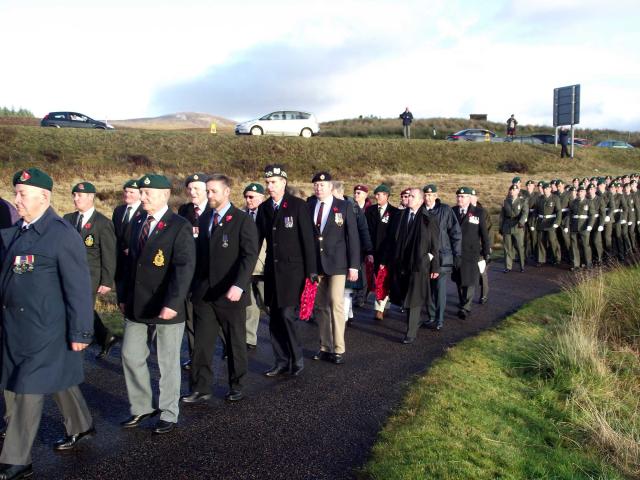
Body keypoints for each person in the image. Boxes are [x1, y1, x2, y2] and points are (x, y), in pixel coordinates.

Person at [0, 168, 95, 479]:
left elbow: (79, 287)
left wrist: (81, 331)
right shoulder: (19, 232)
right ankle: (81, 425)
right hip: (17, 327)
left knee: (27, 386)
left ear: (44, 196)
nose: (16, 200)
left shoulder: (60, 234)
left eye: (22, 194)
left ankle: (17, 459)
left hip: (47, 328)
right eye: (15, 193)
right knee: (60, 378)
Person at [117, 174, 195, 435]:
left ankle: (169, 412)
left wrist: (173, 302)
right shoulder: (138, 220)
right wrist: (123, 297)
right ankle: (142, 407)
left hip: (165, 305)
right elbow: (130, 264)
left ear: (164, 195)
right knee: (130, 354)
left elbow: (184, 268)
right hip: (138, 303)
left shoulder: (179, 225)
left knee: (167, 362)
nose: (142, 197)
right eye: (141, 192)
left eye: (147, 193)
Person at [182, 174, 258, 404]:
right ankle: (200, 387)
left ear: (226, 192)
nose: (209, 195)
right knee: (202, 344)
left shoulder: (242, 220)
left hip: (230, 293)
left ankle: (237, 385)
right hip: (205, 293)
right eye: (207, 191)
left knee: (235, 342)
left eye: (213, 191)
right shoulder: (205, 218)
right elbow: (199, 255)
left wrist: (239, 285)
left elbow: (249, 255)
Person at [256, 164, 317, 377]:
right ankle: (281, 361)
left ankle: (296, 358)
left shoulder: (298, 206)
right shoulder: (264, 209)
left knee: (287, 314)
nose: (270, 186)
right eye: (267, 183)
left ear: (283, 182)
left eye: (273, 182)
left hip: (294, 272)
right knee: (274, 317)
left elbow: (308, 240)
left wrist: (312, 271)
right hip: (273, 272)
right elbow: (256, 240)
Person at [307, 173, 360, 364]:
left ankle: (338, 348)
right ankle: (324, 346)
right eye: (316, 185)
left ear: (331, 187)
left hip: (338, 263)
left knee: (336, 302)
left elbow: (352, 237)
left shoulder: (344, 206)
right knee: (320, 307)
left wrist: (354, 266)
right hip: (316, 264)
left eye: (322, 185)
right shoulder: (310, 205)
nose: (318, 188)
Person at [63, 182, 117, 360]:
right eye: (74, 195)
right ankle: (105, 336)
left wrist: (107, 280)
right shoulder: (68, 218)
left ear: (90, 197)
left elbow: (108, 254)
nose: (75, 198)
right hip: (68, 274)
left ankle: (77, 350)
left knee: (82, 310)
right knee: (73, 308)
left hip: (90, 276)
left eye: (79, 195)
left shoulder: (102, 223)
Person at [386, 187, 440, 343]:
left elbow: (435, 245)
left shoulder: (429, 219)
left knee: (414, 297)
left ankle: (411, 332)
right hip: (401, 264)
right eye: (408, 196)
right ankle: (412, 324)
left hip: (419, 264)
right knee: (404, 295)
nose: (408, 198)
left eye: (412, 196)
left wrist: (434, 265)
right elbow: (392, 239)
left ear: (421, 200)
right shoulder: (400, 216)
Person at [177, 173, 210, 371]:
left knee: (211, 318)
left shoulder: (215, 211)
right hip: (190, 273)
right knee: (190, 318)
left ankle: (226, 347)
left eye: (197, 188)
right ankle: (195, 356)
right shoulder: (184, 210)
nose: (193, 192)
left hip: (209, 274)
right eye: (190, 188)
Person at [422, 184, 461, 331]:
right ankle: (431, 316)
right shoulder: (421, 210)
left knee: (439, 289)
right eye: (426, 195)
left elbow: (455, 233)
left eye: (431, 195)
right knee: (428, 289)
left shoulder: (445, 210)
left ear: (436, 196)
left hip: (443, 256)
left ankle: (439, 318)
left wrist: (457, 254)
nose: (428, 198)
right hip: (426, 257)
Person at [451, 187, 490, 320]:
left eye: (462, 197)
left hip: (471, 252)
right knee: (458, 279)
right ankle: (463, 301)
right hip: (456, 251)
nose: (459, 199)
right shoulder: (453, 211)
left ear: (469, 198)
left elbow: (484, 233)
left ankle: (466, 306)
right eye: (458, 197)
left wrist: (486, 251)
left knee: (470, 279)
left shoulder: (478, 212)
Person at [364, 184, 399, 320]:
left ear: (386, 196)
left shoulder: (394, 212)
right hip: (372, 250)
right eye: (376, 194)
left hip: (387, 252)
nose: (377, 197)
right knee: (373, 279)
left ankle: (380, 308)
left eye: (380, 194)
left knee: (383, 279)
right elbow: (366, 230)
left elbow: (393, 235)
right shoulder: (370, 210)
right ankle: (381, 304)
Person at [242, 182, 267, 350]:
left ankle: (282, 338)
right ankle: (249, 339)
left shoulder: (268, 214)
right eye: (246, 197)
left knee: (268, 304)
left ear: (261, 198)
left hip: (264, 267)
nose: (248, 200)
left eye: (252, 197)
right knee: (249, 305)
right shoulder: (241, 215)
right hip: (246, 268)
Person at [112, 179, 144, 307]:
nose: (127, 194)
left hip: (136, 262)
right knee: (122, 300)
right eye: (126, 191)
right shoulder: (119, 210)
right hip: (120, 264)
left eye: (131, 192)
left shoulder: (145, 211)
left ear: (140, 194)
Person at [351, 184, 372, 308]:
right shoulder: (350, 206)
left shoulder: (369, 209)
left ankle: (361, 297)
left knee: (363, 272)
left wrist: (369, 248)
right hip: (353, 244)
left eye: (359, 193)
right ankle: (354, 294)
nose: (356, 195)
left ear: (365, 195)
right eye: (355, 192)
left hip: (364, 245)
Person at [499, 184, 527, 273]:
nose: (512, 191)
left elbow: (525, 213)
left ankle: (522, 266)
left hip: (517, 226)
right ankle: (508, 266)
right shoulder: (505, 201)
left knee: (519, 247)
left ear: (518, 191)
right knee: (507, 247)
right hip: (507, 226)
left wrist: (521, 222)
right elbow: (502, 215)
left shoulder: (523, 201)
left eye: (514, 190)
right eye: (511, 190)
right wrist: (501, 226)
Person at [534, 182, 562, 266]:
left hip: (551, 222)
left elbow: (558, 211)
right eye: (544, 189)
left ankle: (557, 258)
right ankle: (541, 260)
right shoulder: (539, 198)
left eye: (547, 188)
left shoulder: (555, 198)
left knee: (552, 241)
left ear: (550, 189)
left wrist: (557, 222)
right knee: (541, 241)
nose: (546, 190)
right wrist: (534, 222)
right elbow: (536, 211)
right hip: (541, 222)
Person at [569, 184, 596, 270]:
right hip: (574, 226)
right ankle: (576, 264)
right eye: (579, 191)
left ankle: (588, 263)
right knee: (574, 246)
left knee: (585, 245)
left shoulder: (589, 202)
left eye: (582, 191)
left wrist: (590, 225)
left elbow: (592, 215)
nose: (580, 193)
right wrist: (567, 225)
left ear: (585, 193)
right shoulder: (574, 202)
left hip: (584, 226)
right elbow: (570, 214)